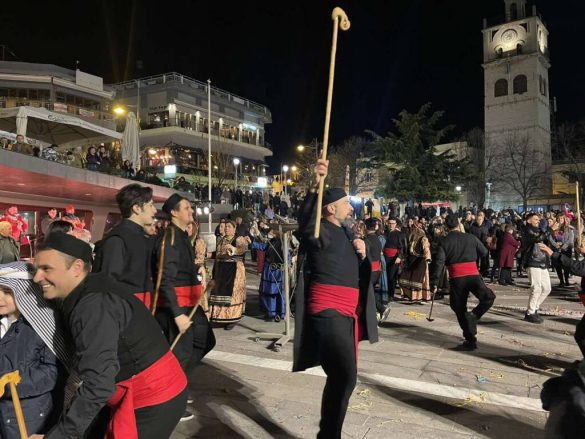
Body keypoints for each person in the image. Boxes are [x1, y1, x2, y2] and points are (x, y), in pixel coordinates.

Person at [32, 232, 187, 438]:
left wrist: (59, 436)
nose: (36, 278)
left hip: (153, 399)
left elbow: (99, 383)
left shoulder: (93, 306)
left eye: (46, 269)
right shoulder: (89, 288)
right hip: (143, 390)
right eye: (36, 269)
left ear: (77, 268)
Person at [293, 157, 378, 439]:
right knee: (344, 376)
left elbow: (360, 268)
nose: (350, 207)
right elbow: (305, 224)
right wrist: (316, 184)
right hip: (328, 311)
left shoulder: (345, 232)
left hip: (346, 314)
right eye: (345, 203)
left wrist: (361, 249)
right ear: (330, 208)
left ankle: (328, 434)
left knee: (341, 378)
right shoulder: (319, 232)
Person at [152, 194, 216, 420]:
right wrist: (177, 314)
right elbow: (165, 279)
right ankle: (171, 401)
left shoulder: (182, 236)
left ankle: (177, 385)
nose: (191, 211)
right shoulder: (169, 238)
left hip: (190, 303)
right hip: (176, 307)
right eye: (187, 208)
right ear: (174, 212)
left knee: (205, 341)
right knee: (180, 353)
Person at [0, 265, 60, 438]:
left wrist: (9, 385)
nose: (0, 298)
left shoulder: (43, 326)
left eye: (7, 292)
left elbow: (51, 372)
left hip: (27, 416)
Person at [430, 214, 496, 351]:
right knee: (488, 297)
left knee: (459, 308)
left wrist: (434, 282)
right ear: (458, 224)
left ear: (446, 226)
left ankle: (470, 338)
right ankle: (474, 315)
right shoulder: (470, 237)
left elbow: (439, 263)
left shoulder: (444, 241)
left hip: (457, 278)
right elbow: (484, 253)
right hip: (473, 275)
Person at [92, 184, 158, 308]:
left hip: (141, 308)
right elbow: (109, 283)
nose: (154, 210)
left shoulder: (141, 236)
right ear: (137, 208)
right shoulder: (118, 239)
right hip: (126, 310)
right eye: (150, 205)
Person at [208, 220, 249, 329]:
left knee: (233, 294)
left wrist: (233, 249)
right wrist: (209, 254)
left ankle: (233, 318)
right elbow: (218, 254)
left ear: (234, 229)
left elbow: (242, 249)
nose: (226, 228)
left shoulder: (239, 239)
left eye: (229, 226)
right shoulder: (222, 240)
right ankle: (219, 317)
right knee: (219, 292)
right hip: (221, 269)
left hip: (234, 270)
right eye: (225, 226)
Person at [520, 212, 552, 324]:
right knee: (536, 288)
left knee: (547, 288)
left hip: (543, 261)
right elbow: (536, 239)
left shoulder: (541, 230)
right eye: (535, 219)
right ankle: (530, 313)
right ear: (529, 221)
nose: (538, 221)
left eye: (539, 219)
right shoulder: (526, 230)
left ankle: (534, 308)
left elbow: (547, 241)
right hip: (532, 261)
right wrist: (548, 230)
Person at [399, 222, 432, 302]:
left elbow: (426, 248)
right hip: (410, 261)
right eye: (414, 228)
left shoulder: (423, 238)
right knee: (406, 278)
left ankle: (418, 297)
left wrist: (428, 257)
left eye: (417, 228)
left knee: (417, 280)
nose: (415, 230)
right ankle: (410, 296)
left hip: (419, 261)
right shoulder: (411, 238)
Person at [383, 216, 406, 301]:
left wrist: (399, 257)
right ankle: (385, 293)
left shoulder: (399, 234)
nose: (391, 225)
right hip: (385, 257)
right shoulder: (385, 233)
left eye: (392, 223)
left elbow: (402, 247)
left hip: (394, 258)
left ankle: (391, 294)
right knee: (385, 276)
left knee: (392, 277)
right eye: (389, 223)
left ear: (395, 224)